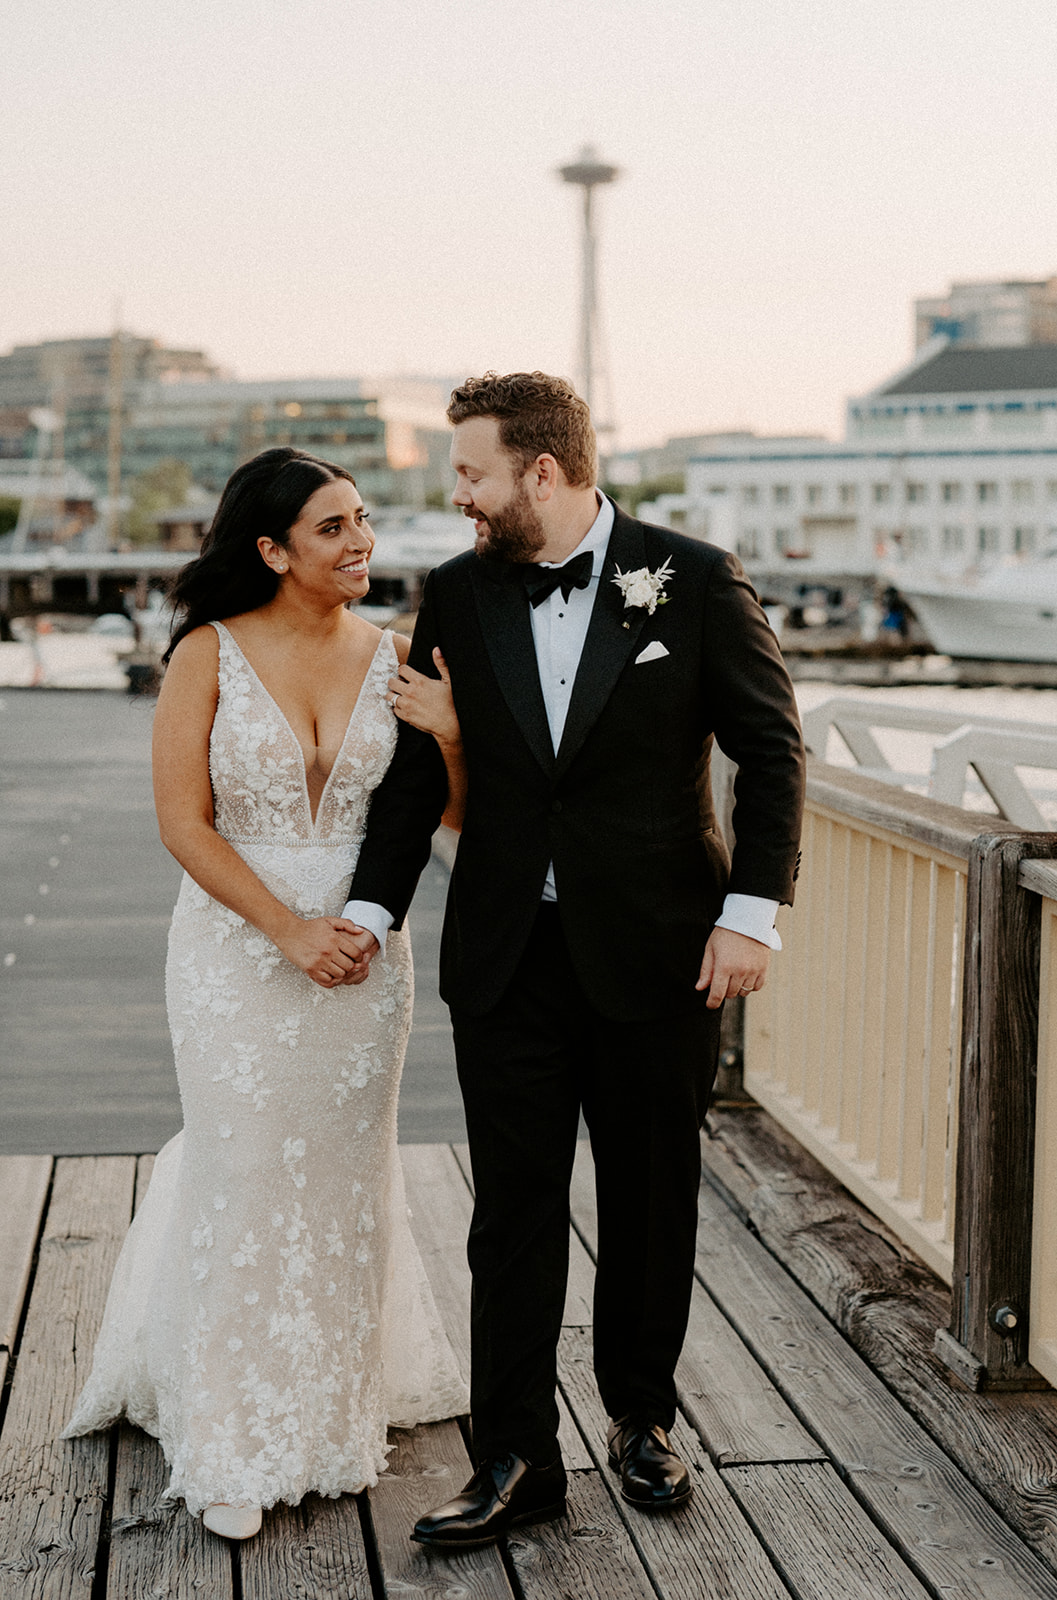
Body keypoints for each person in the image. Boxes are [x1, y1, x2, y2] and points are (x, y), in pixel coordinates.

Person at [341, 372, 805, 1549]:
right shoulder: (455, 592)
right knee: (511, 1213)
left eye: (472, 474)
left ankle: (642, 1418)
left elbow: (769, 747)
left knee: (650, 1198)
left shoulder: (691, 578)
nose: (457, 496)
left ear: (541, 473)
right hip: (507, 954)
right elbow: (416, 769)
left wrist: (751, 914)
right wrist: (367, 905)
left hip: (660, 952)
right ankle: (512, 1456)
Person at [62, 447, 469, 1541]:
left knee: (341, 1172)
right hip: (238, 948)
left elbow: (451, 819)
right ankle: (232, 1433)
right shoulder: (207, 652)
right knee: (243, 1166)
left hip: (363, 956)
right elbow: (182, 823)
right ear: (272, 549)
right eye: (334, 526)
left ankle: (332, 1414)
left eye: (364, 518)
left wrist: (452, 736)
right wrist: (286, 928)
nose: (362, 542)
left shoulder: (396, 656)